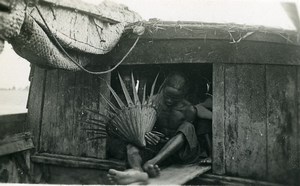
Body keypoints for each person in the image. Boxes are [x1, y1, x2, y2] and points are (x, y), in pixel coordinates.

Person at [107, 72, 204, 184]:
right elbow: (139, 125)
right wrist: (144, 133)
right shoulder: (151, 102)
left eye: (175, 98)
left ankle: (151, 164)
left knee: (188, 127)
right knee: (131, 146)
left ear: (184, 94)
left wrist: (154, 160)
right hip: (156, 148)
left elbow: (185, 138)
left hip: (179, 155)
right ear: (162, 88)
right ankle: (138, 171)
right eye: (167, 95)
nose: (169, 101)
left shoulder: (189, 110)